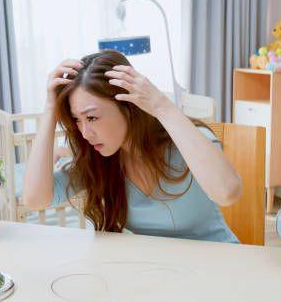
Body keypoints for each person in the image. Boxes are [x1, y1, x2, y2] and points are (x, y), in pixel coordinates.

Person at [21, 50, 241, 243]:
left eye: (92, 118)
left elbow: (228, 192)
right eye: (77, 120)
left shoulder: (184, 142)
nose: (85, 133)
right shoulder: (99, 160)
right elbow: (34, 199)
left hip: (216, 266)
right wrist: (50, 108)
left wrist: (162, 106)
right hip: (163, 275)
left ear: (127, 107)